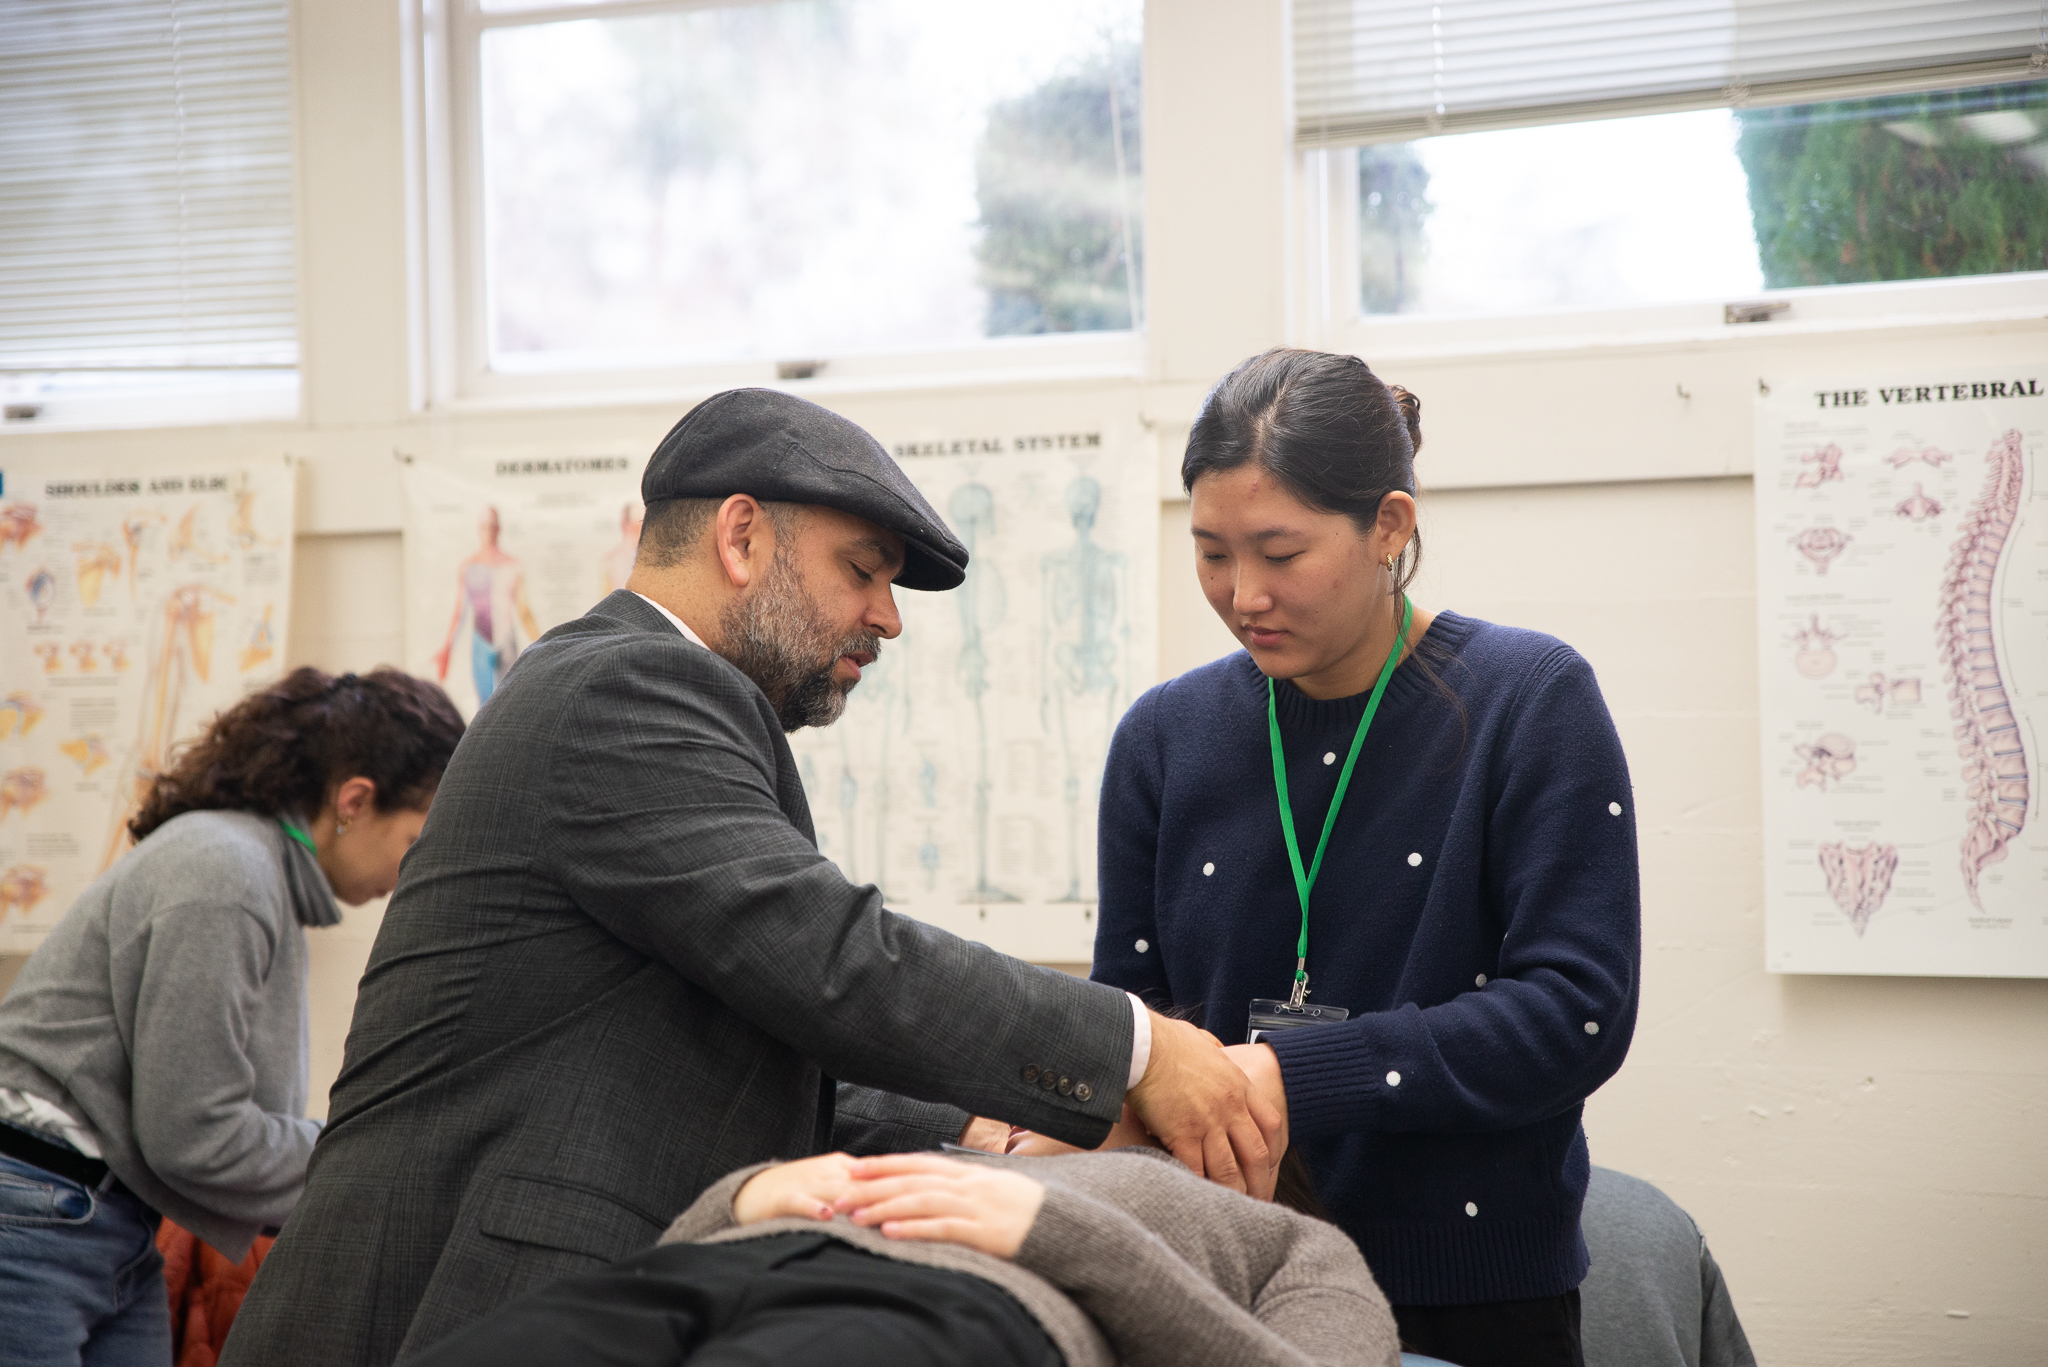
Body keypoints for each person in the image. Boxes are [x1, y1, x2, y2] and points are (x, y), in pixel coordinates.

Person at [224, 389, 1277, 1367]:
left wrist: (977, 1131)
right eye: (861, 569)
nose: (887, 616)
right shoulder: (626, 684)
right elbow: (833, 958)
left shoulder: (644, 689)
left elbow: (737, 1033)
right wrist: (1137, 1047)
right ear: (740, 536)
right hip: (440, 1301)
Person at [1091, 349, 1642, 1367]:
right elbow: (1134, 1003)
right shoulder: (1163, 737)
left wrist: (1279, 1073)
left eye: (1279, 551)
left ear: (1388, 526)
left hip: (1472, 1295)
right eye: (1211, 552)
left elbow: (1574, 1011)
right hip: (1215, 1275)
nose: (1241, 592)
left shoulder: (1530, 699)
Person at [0, 666, 465, 1367]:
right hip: (37, 1215)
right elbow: (193, 1133)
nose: (411, 872)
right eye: (414, 841)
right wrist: (367, 1158)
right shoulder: (229, 874)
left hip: (105, 1219)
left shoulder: (258, 873)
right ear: (355, 799)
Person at [397, 1129, 1400, 1367]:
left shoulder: (1288, 1239)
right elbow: (677, 1239)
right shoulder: (953, 1143)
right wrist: (745, 1192)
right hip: (717, 1261)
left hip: (967, 1312)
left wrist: (1058, 1235)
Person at [432, 506, 541, 705]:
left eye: (492, 527)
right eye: (485, 527)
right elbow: (460, 613)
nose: (488, 532)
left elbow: (524, 611)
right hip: (481, 640)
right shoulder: (468, 566)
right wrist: (447, 648)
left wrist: (544, 644)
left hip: (505, 639)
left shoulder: (512, 565)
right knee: (486, 704)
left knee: (506, 702)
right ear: (479, 529)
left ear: (499, 529)